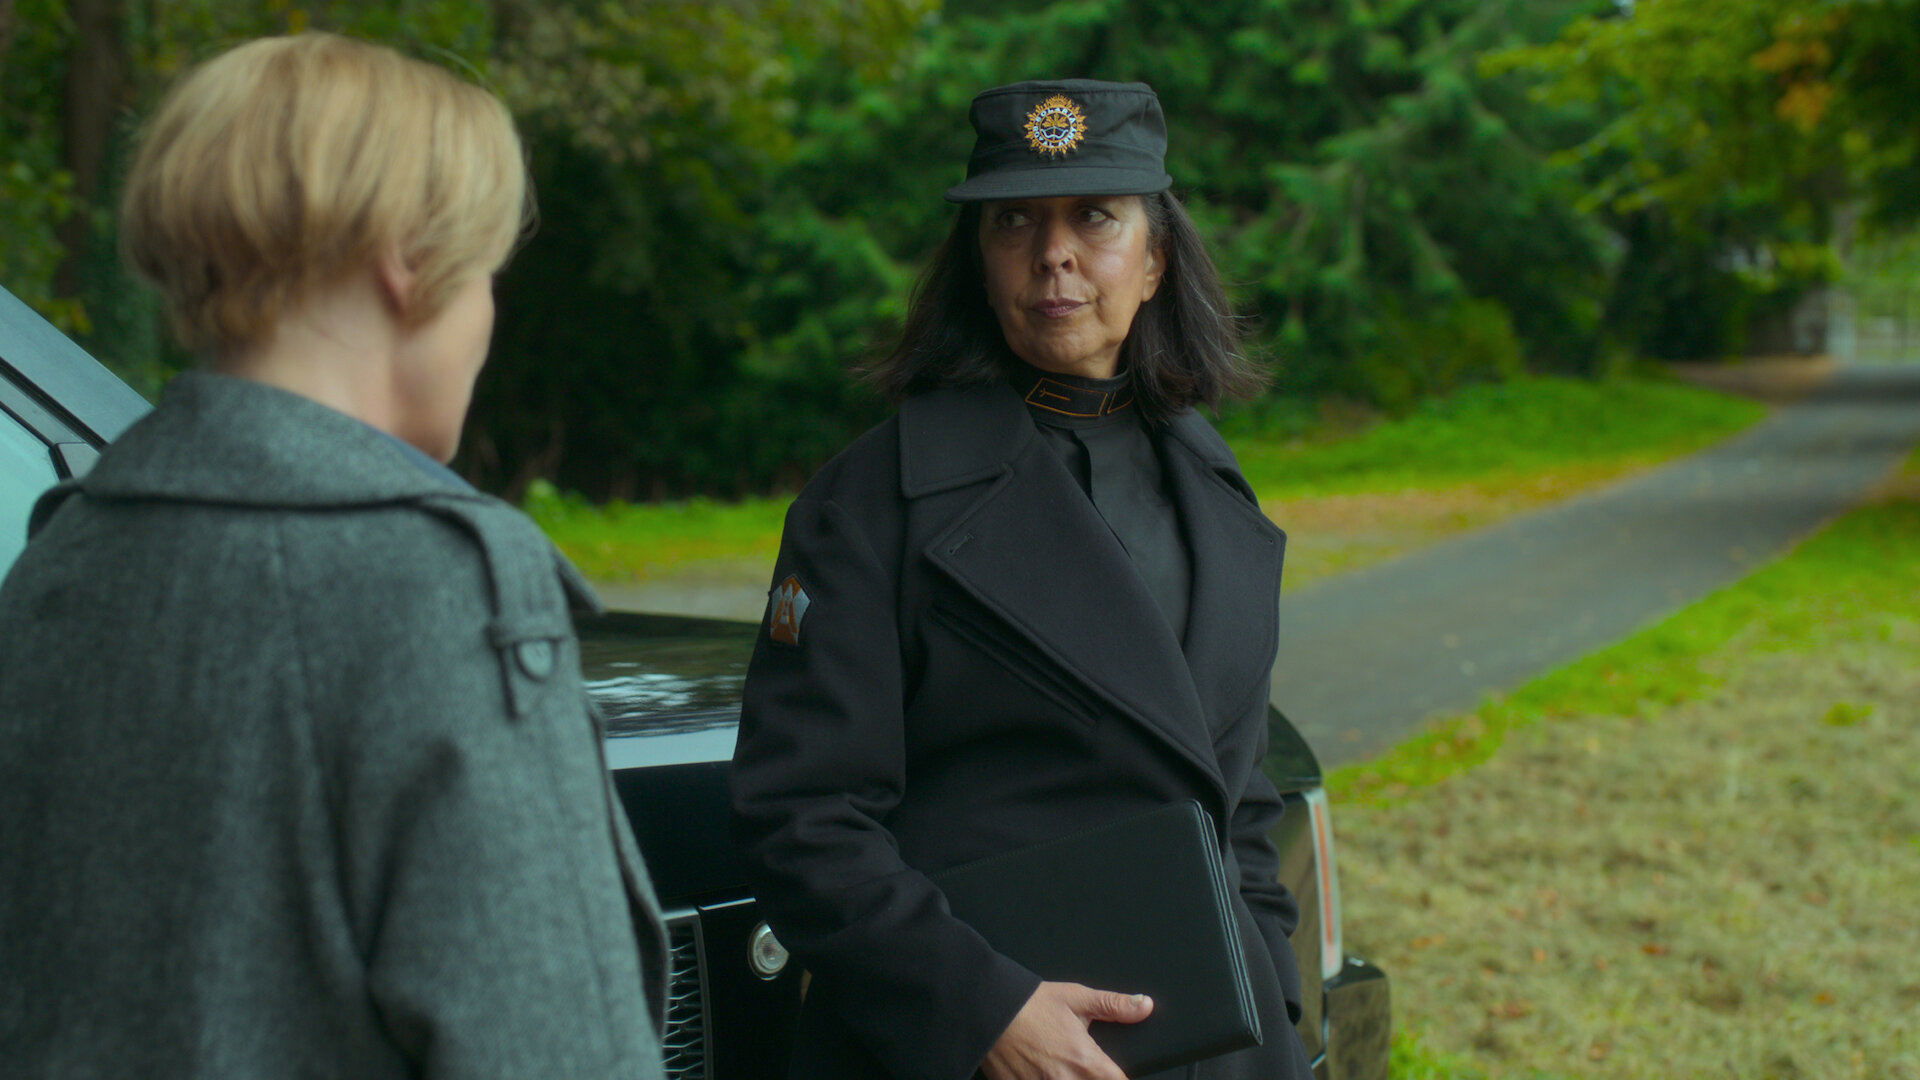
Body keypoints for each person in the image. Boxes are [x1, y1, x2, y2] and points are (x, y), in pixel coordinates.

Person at [0, 33, 667, 1078]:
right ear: (407, 258)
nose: (487, 316)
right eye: (485, 272)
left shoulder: (58, 558)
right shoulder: (436, 586)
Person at [730, 79, 1316, 1080]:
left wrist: (1274, 1001)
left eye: (1095, 217)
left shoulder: (1214, 486)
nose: (1053, 253)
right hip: (968, 1046)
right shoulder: (871, 501)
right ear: (978, 258)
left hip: (1215, 1043)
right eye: (1014, 222)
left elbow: (1241, 798)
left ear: (1156, 259)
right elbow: (801, 819)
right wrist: (984, 1011)